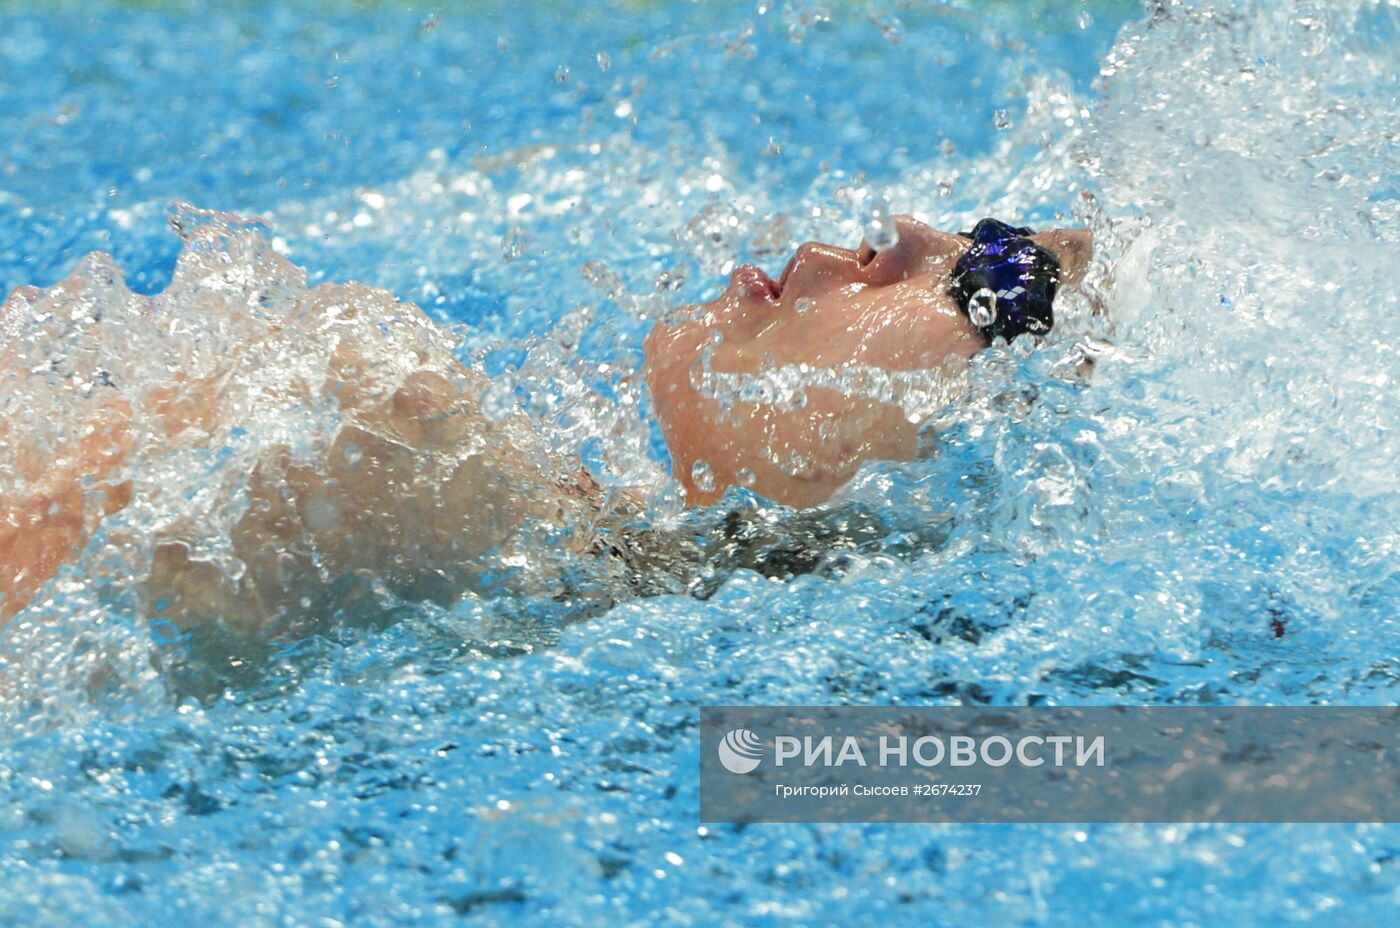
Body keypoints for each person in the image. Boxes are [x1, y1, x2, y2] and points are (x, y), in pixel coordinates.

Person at [0, 213, 1090, 629]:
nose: (895, 231)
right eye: (979, 230)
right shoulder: (538, 549)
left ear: (868, 447)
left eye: (984, 279)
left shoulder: (419, 437)